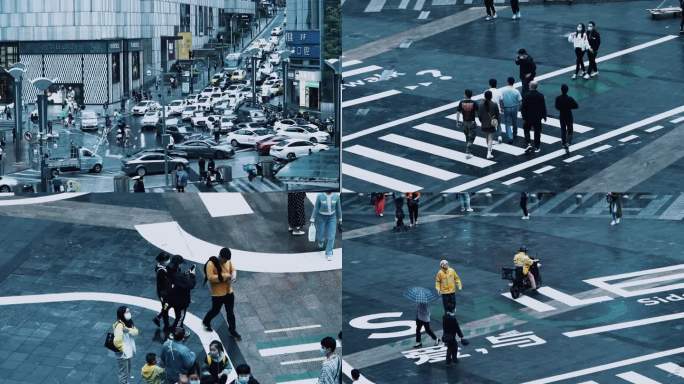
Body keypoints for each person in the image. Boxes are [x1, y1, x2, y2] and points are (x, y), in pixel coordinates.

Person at [202, 248, 241, 340]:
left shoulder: (228, 262)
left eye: (227, 260)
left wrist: (234, 275)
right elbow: (210, 277)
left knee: (230, 312)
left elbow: (233, 269)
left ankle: (232, 330)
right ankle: (206, 321)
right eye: (225, 259)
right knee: (215, 310)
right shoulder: (210, 264)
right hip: (218, 294)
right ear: (220, 256)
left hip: (228, 292)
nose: (226, 261)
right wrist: (225, 276)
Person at [167, 255, 196, 330]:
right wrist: (192, 275)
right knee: (180, 317)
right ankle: (177, 331)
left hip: (173, 298)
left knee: (178, 316)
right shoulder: (179, 276)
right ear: (178, 264)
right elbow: (191, 285)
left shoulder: (171, 272)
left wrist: (184, 275)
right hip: (181, 301)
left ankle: (177, 328)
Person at [310, 192, 342, 261]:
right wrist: (312, 218)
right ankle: (321, 240)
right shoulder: (320, 196)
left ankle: (329, 252)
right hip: (321, 217)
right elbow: (316, 208)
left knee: (331, 235)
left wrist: (340, 219)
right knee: (320, 233)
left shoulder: (336, 196)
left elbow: (338, 208)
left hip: (332, 217)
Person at [113, 306, 139, 384]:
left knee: (127, 370)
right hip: (123, 353)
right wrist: (122, 351)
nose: (129, 313)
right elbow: (117, 341)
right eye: (127, 312)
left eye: (129, 311)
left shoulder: (128, 322)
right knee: (123, 373)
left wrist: (128, 330)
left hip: (128, 351)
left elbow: (136, 332)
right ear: (122, 314)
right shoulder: (119, 325)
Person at [520, 81, 547, 153]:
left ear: (530, 86)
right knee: (537, 132)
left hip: (528, 117)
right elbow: (543, 107)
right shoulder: (540, 95)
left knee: (526, 130)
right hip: (537, 117)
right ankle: (537, 147)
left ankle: (528, 143)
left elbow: (523, 107)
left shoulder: (526, 95)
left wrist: (523, 116)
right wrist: (544, 116)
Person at [555, 84, 579, 153]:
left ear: (561, 90)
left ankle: (563, 143)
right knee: (570, 130)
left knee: (563, 129)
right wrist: (570, 107)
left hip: (562, 115)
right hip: (569, 115)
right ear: (567, 90)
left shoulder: (558, 98)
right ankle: (568, 143)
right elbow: (576, 106)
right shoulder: (570, 98)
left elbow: (557, 107)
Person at [456, 89, 478, 159]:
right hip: (472, 122)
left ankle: (468, 149)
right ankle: (468, 150)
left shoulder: (461, 102)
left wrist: (457, 121)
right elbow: (478, 112)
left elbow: (458, 112)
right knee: (472, 137)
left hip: (464, 122)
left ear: (465, 95)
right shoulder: (474, 103)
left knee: (467, 136)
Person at [478, 90, 500, 160]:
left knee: (487, 137)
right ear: (491, 96)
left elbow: (479, 115)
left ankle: (489, 148)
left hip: (484, 123)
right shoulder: (494, 104)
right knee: (490, 138)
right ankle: (489, 152)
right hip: (491, 124)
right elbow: (497, 115)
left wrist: (482, 121)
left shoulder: (480, 104)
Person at [153, 252, 172, 332]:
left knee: (167, 306)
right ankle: (166, 325)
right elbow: (164, 282)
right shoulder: (161, 271)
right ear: (163, 261)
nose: (169, 261)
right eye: (167, 259)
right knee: (166, 307)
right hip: (163, 293)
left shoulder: (162, 268)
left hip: (164, 292)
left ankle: (158, 317)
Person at [500, 77, 522, 144]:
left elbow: (501, 100)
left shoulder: (503, 90)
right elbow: (520, 101)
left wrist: (501, 107)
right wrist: (520, 109)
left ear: (507, 82)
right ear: (513, 82)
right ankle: (515, 133)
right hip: (514, 107)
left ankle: (510, 137)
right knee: (514, 121)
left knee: (507, 123)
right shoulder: (516, 91)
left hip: (506, 108)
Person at [485, 79, 503, 143]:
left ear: (489, 84)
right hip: (497, 110)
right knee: (498, 124)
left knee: (490, 125)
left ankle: (490, 138)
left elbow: (485, 101)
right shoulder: (499, 91)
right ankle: (499, 136)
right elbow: (501, 101)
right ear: (496, 84)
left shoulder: (487, 91)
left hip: (489, 111)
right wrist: (501, 108)